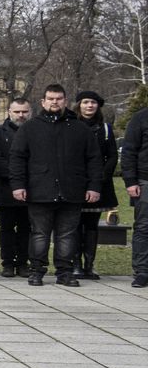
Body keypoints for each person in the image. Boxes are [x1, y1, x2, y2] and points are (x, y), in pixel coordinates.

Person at [10, 84, 103, 287]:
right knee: (40, 234)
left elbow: (94, 160)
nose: (55, 102)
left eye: (59, 98)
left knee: (67, 234)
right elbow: (17, 158)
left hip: (72, 190)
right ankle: (36, 271)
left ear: (65, 101)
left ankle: (65, 272)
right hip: (40, 190)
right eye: (51, 99)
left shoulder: (80, 128)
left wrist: (94, 186)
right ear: (43, 102)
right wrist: (18, 185)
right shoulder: (30, 128)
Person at [74, 90, 118, 280]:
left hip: (99, 183)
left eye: (93, 102)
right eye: (85, 102)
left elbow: (112, 156)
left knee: (92, 226)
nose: (89, 106)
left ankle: (89, 265)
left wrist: (101, 176)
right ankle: (75, 265)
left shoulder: (105, 129)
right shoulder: (72, 126)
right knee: (75, 225)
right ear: (79, 105)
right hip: (76, 183)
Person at [0, 96, 32, 277]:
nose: (21, 115)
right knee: (6, 228)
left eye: (24, 112)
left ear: (30, 112)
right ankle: (7, 263)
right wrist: (16, 179)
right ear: (9, 112)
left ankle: (23, 263)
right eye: (17, 111)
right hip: (5, 189)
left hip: (31, 189)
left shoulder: (36, 132)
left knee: (26, 228)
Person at [124, 97, 148, 287]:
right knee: (143, 226)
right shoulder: (140, 118)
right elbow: (129, 151)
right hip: (145, 180)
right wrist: (131, 181)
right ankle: (142, 270)